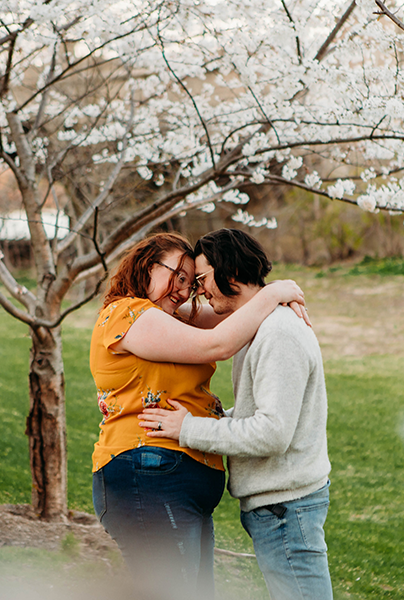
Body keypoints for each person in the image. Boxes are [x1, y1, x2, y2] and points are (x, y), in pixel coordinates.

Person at [89, 232, 307, 600]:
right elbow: (218, 344)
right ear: (146, 265)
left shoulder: (170, 318)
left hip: (176, 484)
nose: (183, 290)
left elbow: (235, 310)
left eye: (191, 284)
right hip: (146, 474)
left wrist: (280, 297)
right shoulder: (129, 312)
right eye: (177, 276)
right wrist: (275, 291)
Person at [139, 228, 333, 600]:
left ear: (228, 271)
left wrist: (189, 429)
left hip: (286, 508)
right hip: (278, 507)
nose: (200, 290)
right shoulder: (259, 327)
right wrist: (212, 417)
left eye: (202, 279)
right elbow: (258, 414)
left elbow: (272, 433)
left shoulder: (278, 334)